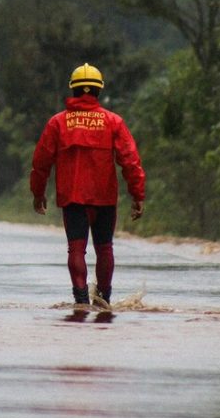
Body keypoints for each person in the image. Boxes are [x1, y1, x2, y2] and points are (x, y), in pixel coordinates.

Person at [30, 63, 145, 306]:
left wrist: (38, 193)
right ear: (98, 90)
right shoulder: (113, 121)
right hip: (105, 198)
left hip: (72, 198)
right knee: (105, 248)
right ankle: (103, 301)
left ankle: (80, 299)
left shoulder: (58, 123)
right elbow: (130, 161)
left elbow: (41, 162)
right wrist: (137, 195)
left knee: (76, 249)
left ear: (73, 90)